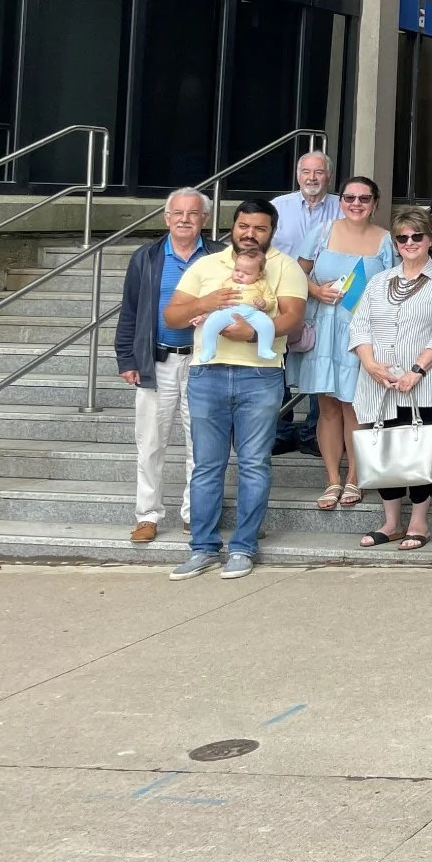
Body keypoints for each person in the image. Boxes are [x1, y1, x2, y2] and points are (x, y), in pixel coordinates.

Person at [164, 202, 308, 581]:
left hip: (259, 376)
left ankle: (243, 547)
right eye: (244, 226)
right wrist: (207, 303)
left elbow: (293, 318)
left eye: (259, 228)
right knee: (206, 465)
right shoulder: (207, 265)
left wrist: (254, 332)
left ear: (272, 230)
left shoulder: (285, 266)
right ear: (233, 226)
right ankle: (203, 548)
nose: (250, 233)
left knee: (254, 463)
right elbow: (173, 315)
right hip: (207, 374)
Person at [347, 206, 432, 553]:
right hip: (378, 380)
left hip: (425, 382)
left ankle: (419, 522)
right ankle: (391, 522)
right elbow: (360, 325)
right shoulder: (379, 280)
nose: (409, 242)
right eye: (402, 237)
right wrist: (369, 363)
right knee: (384, 450)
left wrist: (417, 370)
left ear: (431, 239)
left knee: (417, 452)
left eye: (417, 236)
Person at [115, 188, 221, 543]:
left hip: (204, 361)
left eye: (193, 214)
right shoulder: (145, 257)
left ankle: (195, 515)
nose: (185, 219)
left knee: (201, 443)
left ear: (204, 219)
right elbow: (130, 311)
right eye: (178, 213)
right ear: (166, 218)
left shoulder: (220, 256)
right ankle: (147, 515)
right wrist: (126, 357)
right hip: (155, 360)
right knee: (150, 443)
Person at [290, 174, 398, 509]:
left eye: (364, 199)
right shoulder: (321, 232)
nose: (356, 204)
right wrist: (316, 290)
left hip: (361, 334)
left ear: (374, 203)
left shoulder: (385, 241)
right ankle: (332, 480)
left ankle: (354, 476)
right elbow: (297, 271)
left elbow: (395, 288)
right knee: (327, 406)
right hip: (323, 328)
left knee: (354, 404)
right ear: (341, 201)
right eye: (350, 198)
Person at [270, 148, 337, 452]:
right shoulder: (277, 208)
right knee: (278, 363)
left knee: (318, 361)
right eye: (306, 172)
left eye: (319, 172)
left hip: (327, 299)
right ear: (297, 175)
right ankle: (280, 431)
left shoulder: (342, 207)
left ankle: (313, 432)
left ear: (329, 176)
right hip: (280, 298)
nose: (312, 178)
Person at [195, 251, 279, 364]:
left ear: (259, 275)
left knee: (267, 324)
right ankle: (209, 349)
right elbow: (217, 300)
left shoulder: (262, 284)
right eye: (237, 270)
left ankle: (264, 348)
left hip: (252, 313)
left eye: (247, 273)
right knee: (211, 323)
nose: (239, 275)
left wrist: (264, 303)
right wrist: (204, 316)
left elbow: (271, 301)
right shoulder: (227, 282)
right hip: (228, 310)